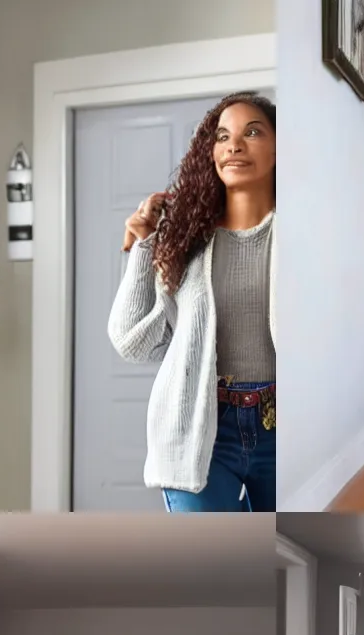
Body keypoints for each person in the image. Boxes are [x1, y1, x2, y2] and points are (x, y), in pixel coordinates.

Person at [109, 92, 275, 511]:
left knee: (287, 561)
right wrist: (144, 247)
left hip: (288, 427)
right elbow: (132, 341)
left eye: (252, 132)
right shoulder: (187, 240)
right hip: (198, 426)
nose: (234, 145)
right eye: (222, 136)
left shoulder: (303, 232)